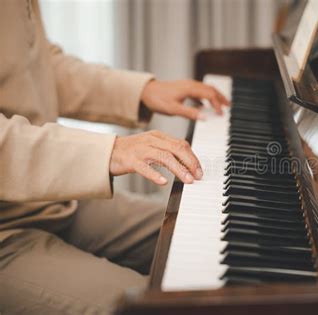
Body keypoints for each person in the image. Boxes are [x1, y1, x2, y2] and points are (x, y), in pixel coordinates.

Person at [0, 1, 228, 314]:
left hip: (51, 198)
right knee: (162, 308)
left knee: (211, 241)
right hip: (6, 230)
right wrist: (110, 151)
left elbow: (36, 64)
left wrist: (140, 90)